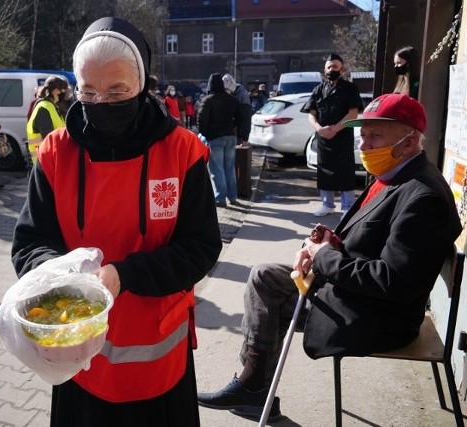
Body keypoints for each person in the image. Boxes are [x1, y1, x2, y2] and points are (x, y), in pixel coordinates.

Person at [197, 93, 462, 421]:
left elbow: (394, 282)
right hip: (361, 296)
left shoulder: (423, 196)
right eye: (362, 136)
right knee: (266, 277)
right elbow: (373, 237)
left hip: (380, 317)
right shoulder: (396, 171)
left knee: (270, 294)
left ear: (409, 141)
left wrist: (324, 257)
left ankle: (253, 385)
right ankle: (253, 384)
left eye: (375, 136)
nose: (364, 146)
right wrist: (332, 242)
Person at [11, 16, 222, 427]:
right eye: (88, 91)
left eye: (117, 91)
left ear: (141, 86)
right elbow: (30, 241)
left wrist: (124, 275)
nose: (102, 103)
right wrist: (61, 277)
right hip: (80, 355)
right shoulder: (57, 152)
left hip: (158, 353)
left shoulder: (181, 152)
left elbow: (200, 248)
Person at [303, 53, 364, 217]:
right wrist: (319, 129)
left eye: (335, 67)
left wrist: (335, 129)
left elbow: (353, 113)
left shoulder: (350, 88)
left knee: (345, 172)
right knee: (324, 171)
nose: (332, 70)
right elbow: (311, 113)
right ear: (324, 70)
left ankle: (347, 206)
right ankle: (327, 204)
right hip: (323, 138)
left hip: (342, 137)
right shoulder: (318, 89)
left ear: (342, 69)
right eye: (329, 67)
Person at [197, 73, 241, 208]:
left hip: (214, 137)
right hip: (230, 137)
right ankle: (233, 196)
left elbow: (201, 121)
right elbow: (239, 118)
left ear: (210, 85)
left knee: (217, 170)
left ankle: (220, 198)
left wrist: (206, 134)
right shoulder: (233, 99)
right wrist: (232, 129)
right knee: (229, 168)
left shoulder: (207, 100)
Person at [26, 75, 68, 164]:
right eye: (63, 91)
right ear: (56, 91)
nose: (65, 95)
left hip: (50, 160)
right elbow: (49, 139)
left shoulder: (52, 107)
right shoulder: (44, 108)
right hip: (44, 162)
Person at [223, 73, 252, 146]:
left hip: (239, 134)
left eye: (226, 89)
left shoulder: (242, 95)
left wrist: (245, 138)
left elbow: (246, 118)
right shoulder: (232, 94)